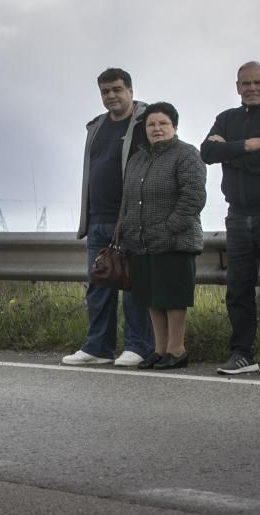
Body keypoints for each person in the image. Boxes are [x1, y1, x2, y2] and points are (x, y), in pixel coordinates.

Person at [201, 61, 260, 376]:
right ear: (237, 86)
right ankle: (242, 353)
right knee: (238, 287)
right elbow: (206, 154)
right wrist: (246, 146)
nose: (252, 88)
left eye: (258, 82)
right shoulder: (226, 118)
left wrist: (230, 152)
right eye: (245, 83)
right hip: (237, 214)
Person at [63, 68, 155, 366]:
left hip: (130, 217)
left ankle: (138, 346)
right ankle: (98, 347)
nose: (111, 96)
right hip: (98, 218)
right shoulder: (98, 126)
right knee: (99, 284)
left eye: (117, 89)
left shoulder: (144, 122)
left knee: (132, 284)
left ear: (130, 90)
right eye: (105, 91)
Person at [118, 102, 206, 370]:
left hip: (175, 241)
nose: (157, 128)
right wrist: (126, 228)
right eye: (151, 124)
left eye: (163, 123)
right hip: (142, 242)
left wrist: (170, 226)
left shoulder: (186, 154)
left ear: (174, 126)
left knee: (173, 297)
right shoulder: (137, 159)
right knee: (151, 297)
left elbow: (193, 196)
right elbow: (128, 199)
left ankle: (177, 350)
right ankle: (159, 349)